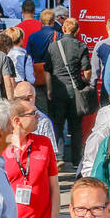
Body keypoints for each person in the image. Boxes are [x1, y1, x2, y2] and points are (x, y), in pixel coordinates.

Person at [44, 17, 91, 167]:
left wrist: (49, 89)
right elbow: (87, 70)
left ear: (63, 29)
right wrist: (84, 81)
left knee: (57, 124)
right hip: (76, 91)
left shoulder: (53, 46)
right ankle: (77, 160)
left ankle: (59, 156)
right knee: (76, 126)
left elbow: (47, 71)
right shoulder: (81, 46)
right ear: (77, 31)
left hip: (58, 90)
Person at [11, 80, 57, 150]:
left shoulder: (44, 121)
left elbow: (51, 153)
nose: (26, 101)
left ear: (35, 97)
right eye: (21, 98)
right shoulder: (6, 119)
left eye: (29, 97)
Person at [90, 16, 110, 102]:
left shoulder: (100, 45)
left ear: (107, 28)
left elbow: (95, 69)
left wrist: (92, 85)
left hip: (107, 86)